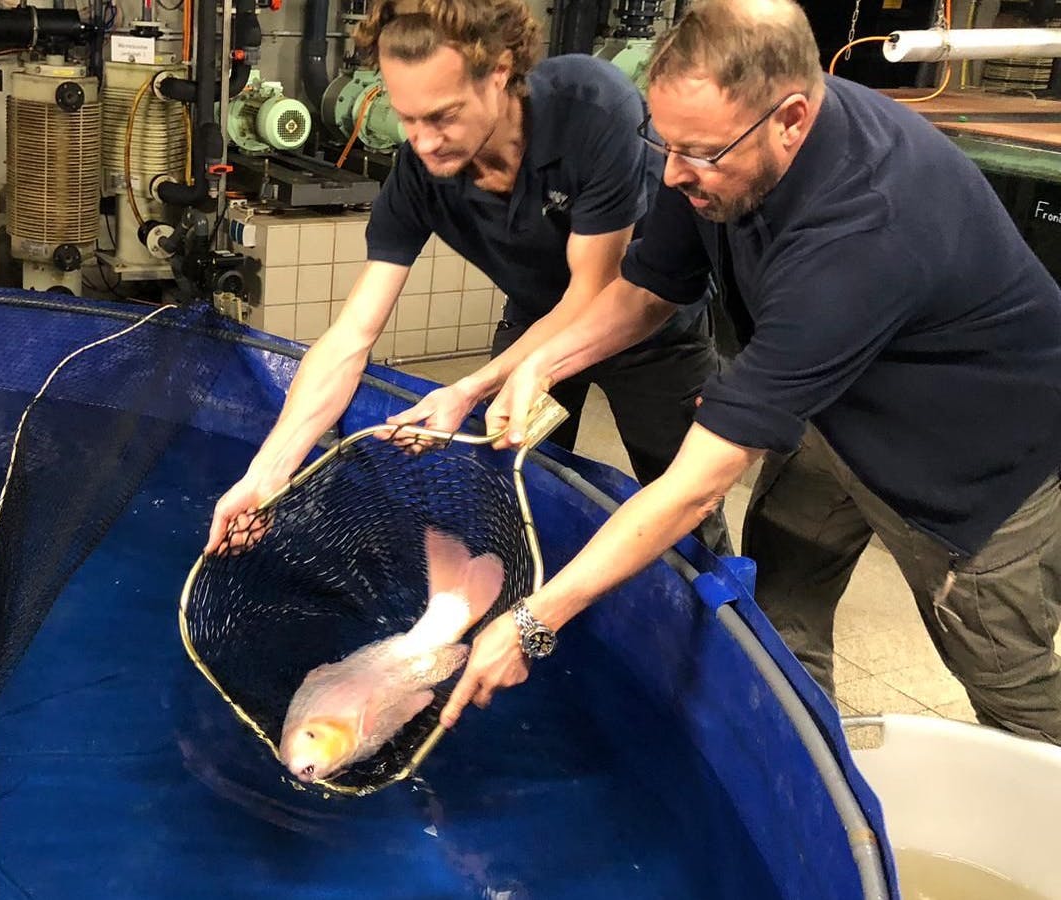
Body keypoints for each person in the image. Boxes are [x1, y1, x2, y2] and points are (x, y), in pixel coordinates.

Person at [446, 0, 1061, 745]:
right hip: (839, 412)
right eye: (663, 141)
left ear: (792, 118)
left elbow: (697, 483)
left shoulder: (867, 226)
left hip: (977, 466)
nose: (672, 174)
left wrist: (532, 622)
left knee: (1007, 679)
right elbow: (647, 292)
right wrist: (540, 363)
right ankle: (809, 771)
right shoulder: (713, 156)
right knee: (782, 610)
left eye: (697, 152)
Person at [203, 0, 732, 557]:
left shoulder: (591, 108)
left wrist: (469, 386)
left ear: (499, 72)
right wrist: (268, 471)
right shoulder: (417, 175)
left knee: (686, 507)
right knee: (499, 493)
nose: (424, 142)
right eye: (407, 119)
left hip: (648, 328)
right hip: (535, 318)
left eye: (442, 116)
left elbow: (593, 294)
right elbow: (350, 338)